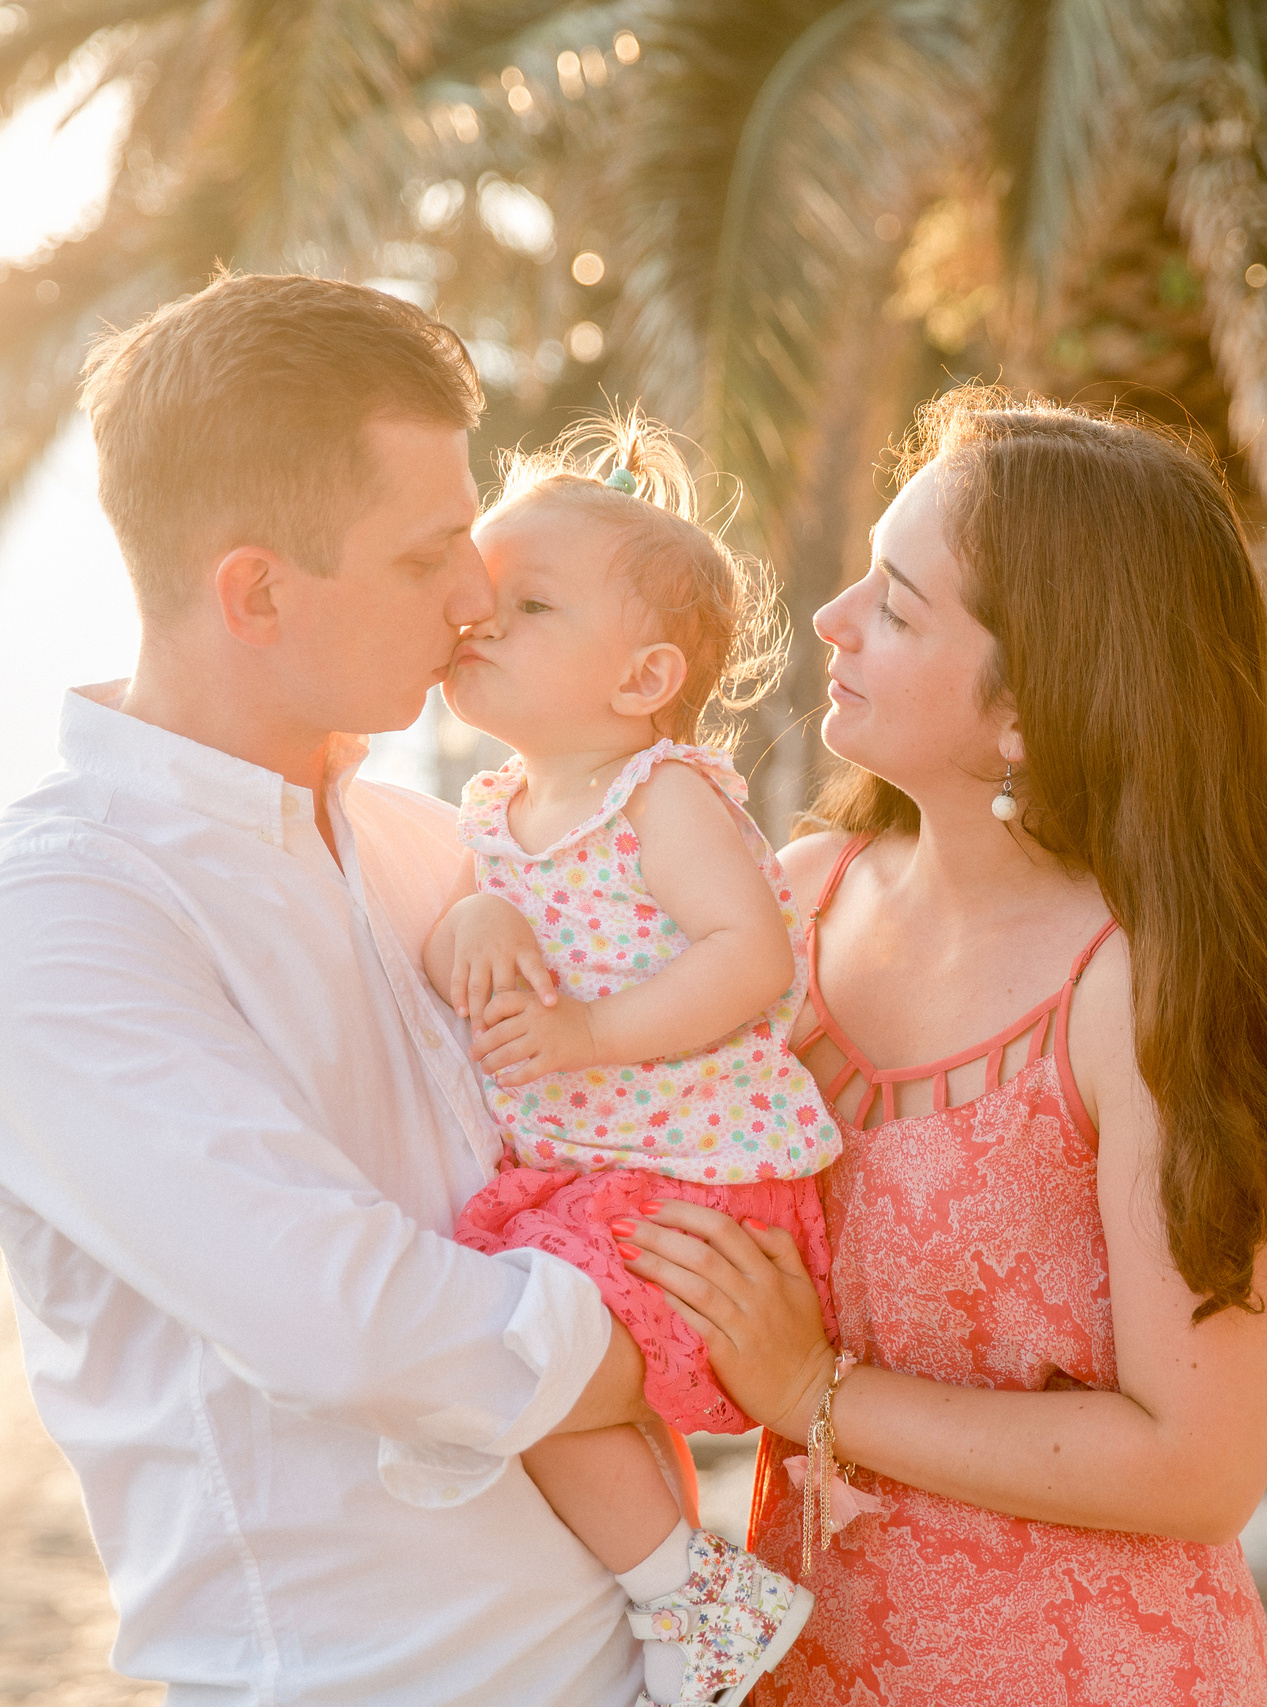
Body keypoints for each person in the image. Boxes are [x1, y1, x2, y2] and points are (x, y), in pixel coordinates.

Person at [620, 389, 1267, 1704]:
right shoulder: (792, 904)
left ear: (1029, 710)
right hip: (812, 1664)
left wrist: (815, 1388)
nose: (832, 621)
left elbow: (1201, 1465)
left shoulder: (1138, 987)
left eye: (897, 602)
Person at [0, 272, 653, 1707]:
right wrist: (704, 1348)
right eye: (427, 552)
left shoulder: (431, 847)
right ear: (254, 590)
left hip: (623, 1666)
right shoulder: (63, 912)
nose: (477, 592)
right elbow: (351, 1318)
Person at [427, 415, 832, 1707]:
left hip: (697, 1181)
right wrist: (472, 924)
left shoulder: (666, 796)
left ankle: (688, 1590)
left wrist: (589, 1036)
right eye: (479, 601)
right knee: (560, 1386)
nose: (477, 624)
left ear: (645, 677)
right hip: (598, 1184)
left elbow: (749, 958)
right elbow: (474, 950)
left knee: (533, 1379)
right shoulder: (494, 813)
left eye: (528, 606)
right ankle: (677, 1592)